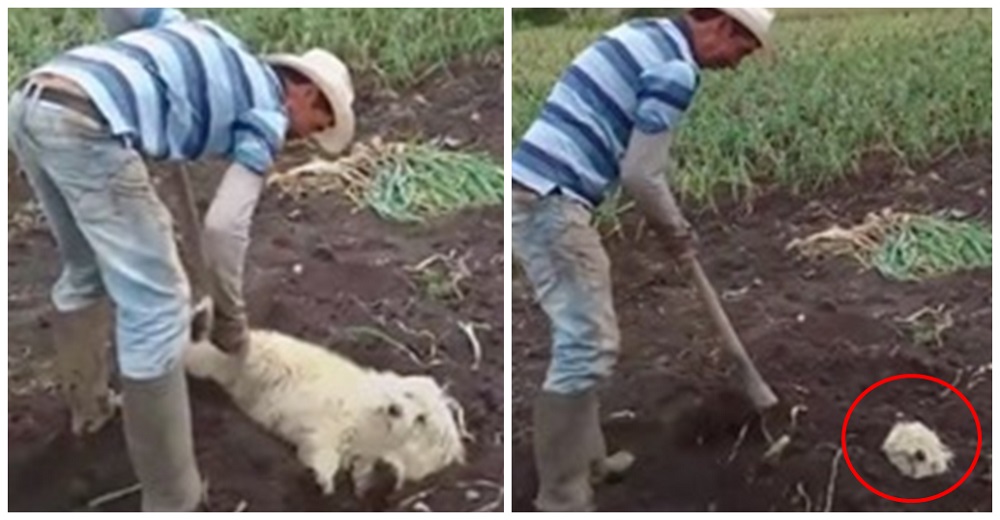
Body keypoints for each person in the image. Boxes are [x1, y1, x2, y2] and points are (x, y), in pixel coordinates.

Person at [7, 8, 356, 511]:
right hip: (88, 127)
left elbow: (120, 10)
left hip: (33, 101)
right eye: (312, 126)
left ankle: (90, 410)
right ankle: (174, 497)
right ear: (303, 92)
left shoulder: (202, 33)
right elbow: (224, 227)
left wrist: (149, 92)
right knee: (158, 305)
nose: (299, 141)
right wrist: (231, 324)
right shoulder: (268, 114)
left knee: (86, 271)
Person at [511, 8, 775, 512]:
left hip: (541, 191)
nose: (737, 65)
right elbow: (641, 174)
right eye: (741, 51)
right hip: (550, 199)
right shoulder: (676, 68)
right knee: (586, 344)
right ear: (721, 26)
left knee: (585, 336)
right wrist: (675, 230)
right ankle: (562, 496)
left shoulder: (643, 33)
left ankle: (591, 462)